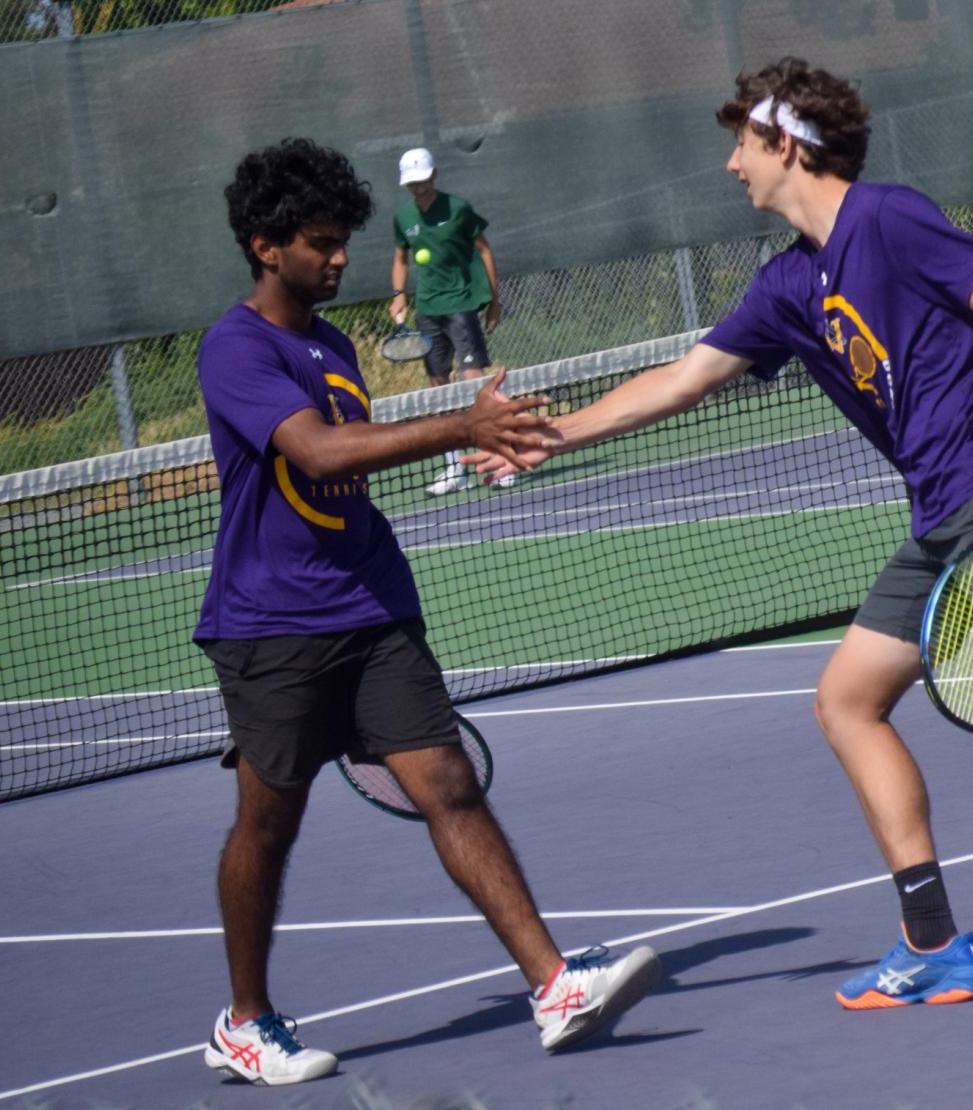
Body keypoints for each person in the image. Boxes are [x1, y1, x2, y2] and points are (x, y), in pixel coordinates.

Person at [469, 59, 973, 1027]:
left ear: (784, 142)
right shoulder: (786, 285)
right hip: (942, 518)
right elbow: (682, 381)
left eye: (741, 143)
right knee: (848, 701)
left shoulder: (886, 219)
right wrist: (547, 438)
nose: (731, 165)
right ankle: (936, 945)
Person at [195, 137, 659, 1086]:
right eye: (321, 243)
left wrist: (461, 430)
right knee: (268, 824)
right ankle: (245, 1021)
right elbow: (319, 456)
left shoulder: (329, 342)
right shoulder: (236, 347)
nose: (340, 260)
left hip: (371, 606)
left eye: (343, 243)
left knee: (446, 780)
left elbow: (348, 454)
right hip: (271, 627)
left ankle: (553, 985)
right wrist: (462, 424)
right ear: (264, 244)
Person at [389, 146, 514, 495]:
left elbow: (484, 250)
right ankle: (455, 468)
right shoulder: (403, 217)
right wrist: (398, 294)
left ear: (435, 175)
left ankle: (499, 460)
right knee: (438, 392)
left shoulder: (458, 209)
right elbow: (400, 259)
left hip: (461, 305)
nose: (418, 188)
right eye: (412, 183)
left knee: (475, 388)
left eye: (423, 180)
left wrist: (494, 302)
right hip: (427, 311)